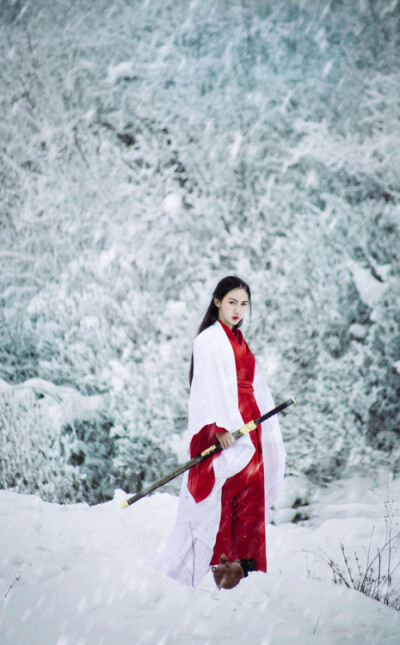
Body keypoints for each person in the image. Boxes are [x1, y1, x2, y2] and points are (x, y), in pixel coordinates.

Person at [151, 276, 286, 587]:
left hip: (250, 425)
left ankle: (249, 573)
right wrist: (217, 428)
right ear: (217, 302)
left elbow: (256, 384)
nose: (238, 310)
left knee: (251, 500)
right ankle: (223, 572)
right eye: (232, 302)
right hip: (229, 429)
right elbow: (205, 390)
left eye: (244, 304)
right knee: (229, 498)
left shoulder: (239, 340)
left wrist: (264, 428)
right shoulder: (208, 340)